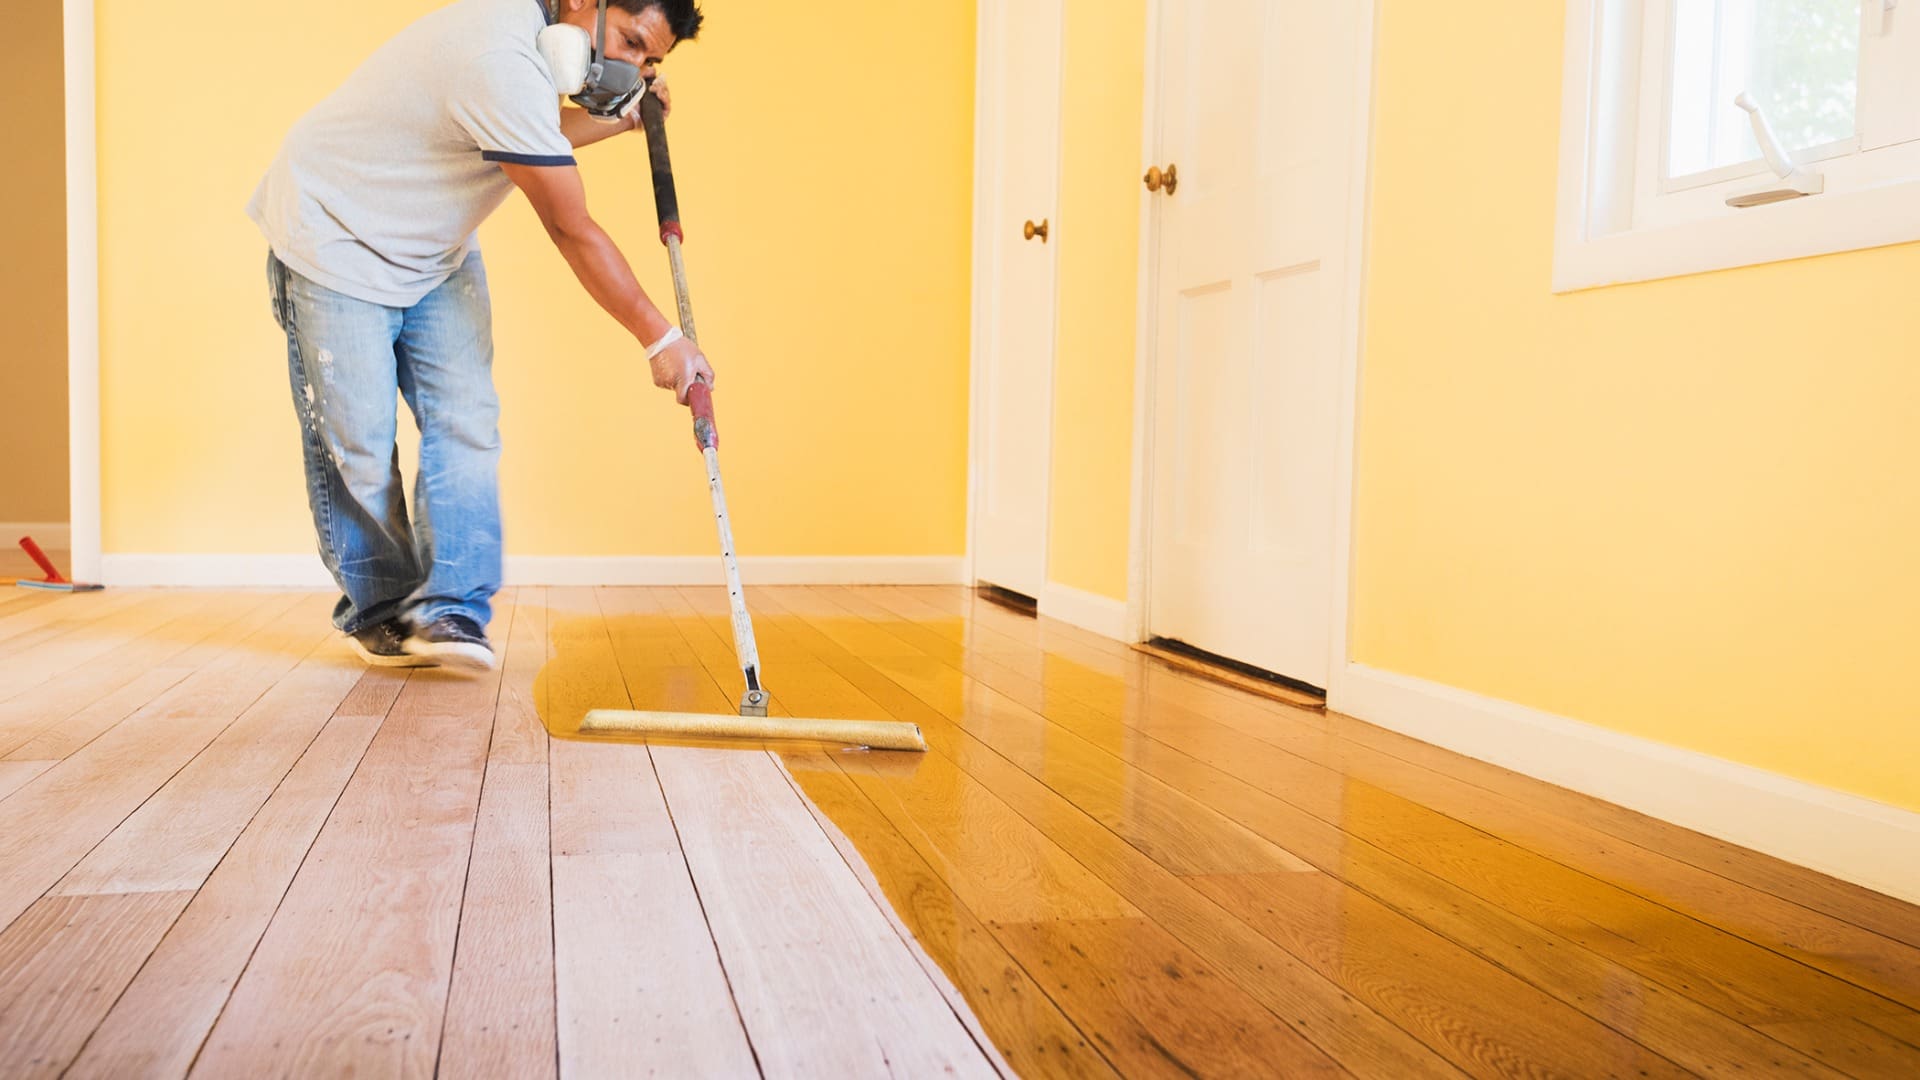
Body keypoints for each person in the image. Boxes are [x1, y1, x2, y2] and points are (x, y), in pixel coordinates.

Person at [249, 0, 709, 670]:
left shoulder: (525, 56)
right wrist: (662, 339)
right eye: (632, 41)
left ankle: (451, 611)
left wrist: (623, 118)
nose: (632, 66)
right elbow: (570, 227)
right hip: (336, 234)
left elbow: (522, 128)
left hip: (432, 243)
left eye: (649, 61)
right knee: (359, 445)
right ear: (584, 0)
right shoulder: (496, 53)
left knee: (466, 419)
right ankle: (382, 610)